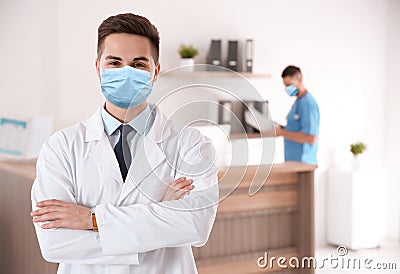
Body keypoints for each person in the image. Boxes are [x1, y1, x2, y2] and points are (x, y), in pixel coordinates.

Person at [30, 13, 219, 274]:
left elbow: (196, 225)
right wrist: (160, 214)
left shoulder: (192, 144)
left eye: (138, 65)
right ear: (98, 67)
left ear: (156, 71)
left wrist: (91, 219)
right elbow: (55, 244)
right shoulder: (61, 147)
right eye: (115, 63)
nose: (126, 73)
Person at [274, 65, 320, 164]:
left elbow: (311, 138)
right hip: (293, 162)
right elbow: (295, 128)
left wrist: (282, 133)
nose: (287, 88)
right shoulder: (298, 102)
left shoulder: (307, 103)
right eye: (285, 86)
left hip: (304, 163)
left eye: (290, 85)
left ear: (300, 80)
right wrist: (281, 128)